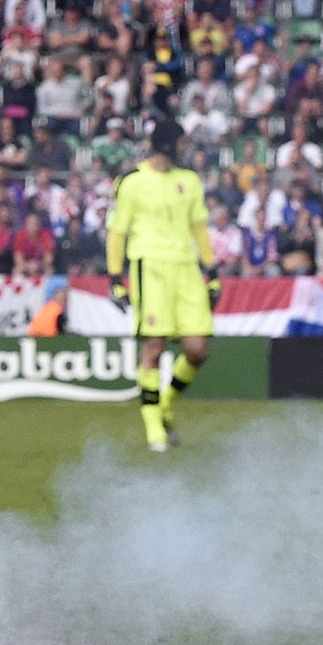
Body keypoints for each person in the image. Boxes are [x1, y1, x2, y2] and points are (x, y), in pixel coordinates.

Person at [104, 120, 218, 453]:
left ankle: (164, 404)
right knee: (154, 345)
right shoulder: (132, 182)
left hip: (186, 267)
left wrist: (212, 271)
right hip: (150, 266)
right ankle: (154, 429)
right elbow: (117, 232)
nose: (185, 148)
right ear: (168, 144)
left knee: (197, 349)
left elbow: (199, 228)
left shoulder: (189, 180)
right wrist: (115, 278)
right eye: (181, 143)